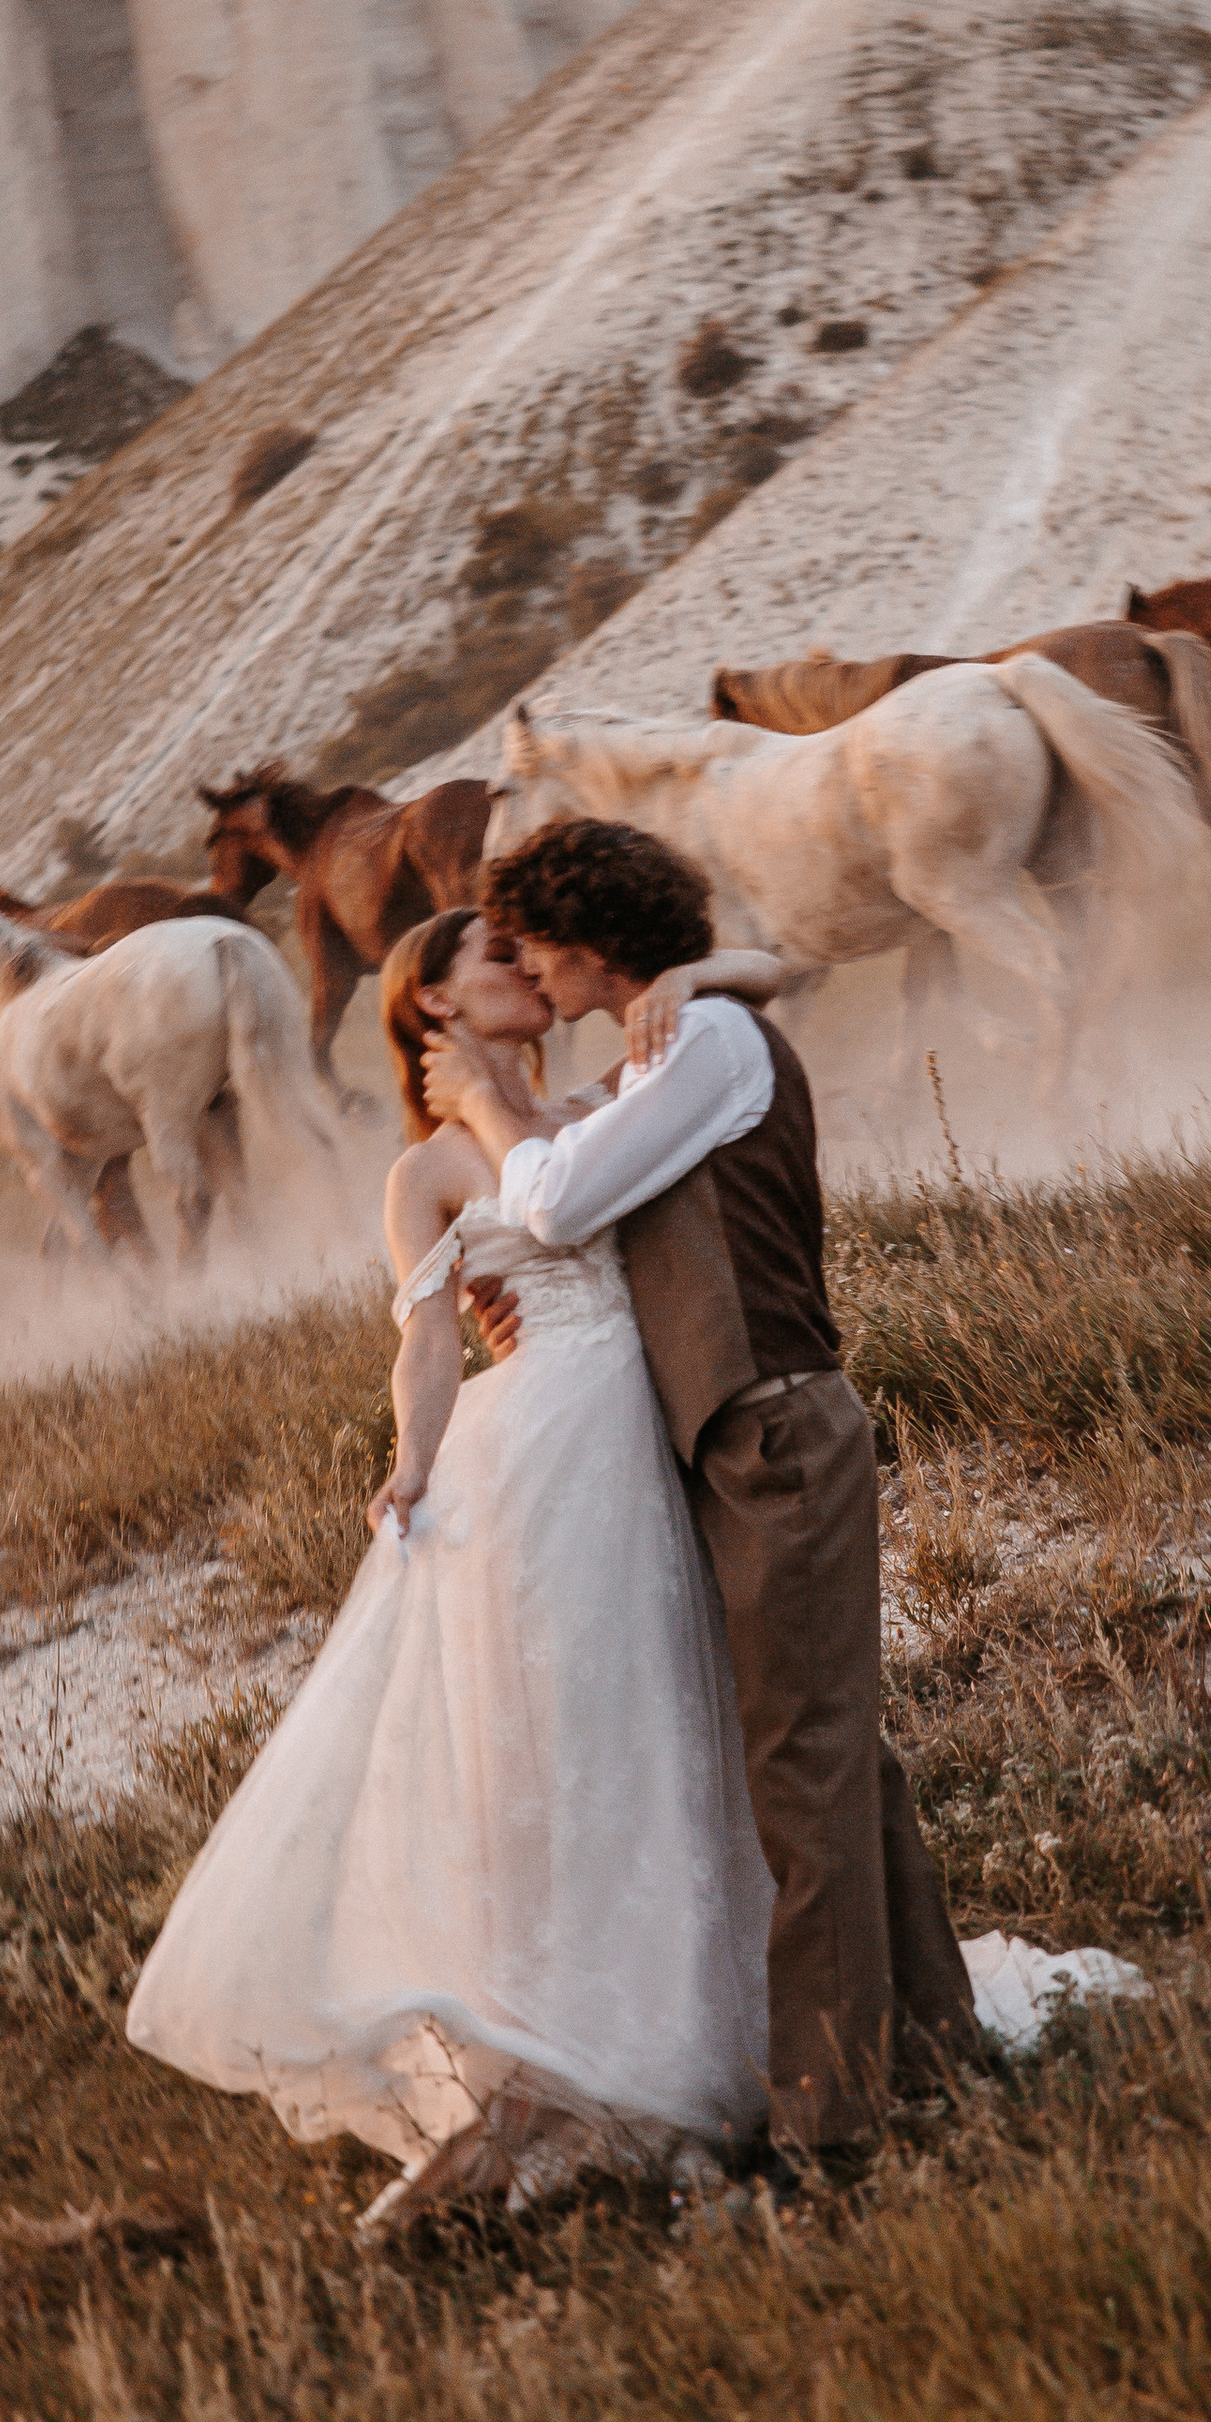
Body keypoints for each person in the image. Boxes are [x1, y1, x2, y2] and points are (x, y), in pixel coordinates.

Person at [125, 902, 787, 2227]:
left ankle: (671, 2027)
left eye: (534, 953)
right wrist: (412, 1458)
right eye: (497, 960)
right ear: (431, 1005)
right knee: (529, 1756)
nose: (531, 969)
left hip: (641, 1446)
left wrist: (692, 972)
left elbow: (778, 969)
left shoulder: (612, 1089)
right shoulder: (425, 1171)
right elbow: (426, 1339)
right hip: (531, 1458)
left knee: (653, 1726)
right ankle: (532, 2054)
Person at [428, 817, 980, 2161]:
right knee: (838, 1762)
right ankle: (934, 2051)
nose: (529, 976)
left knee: (807, 1777)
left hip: (777, 1433)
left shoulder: (708, 1046)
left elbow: (554, 1204)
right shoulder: (675, 1043)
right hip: (739, 1445)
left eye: (537, 949)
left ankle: (831, 2128)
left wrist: (487, 1105)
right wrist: (722, 971)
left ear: (594, 941)